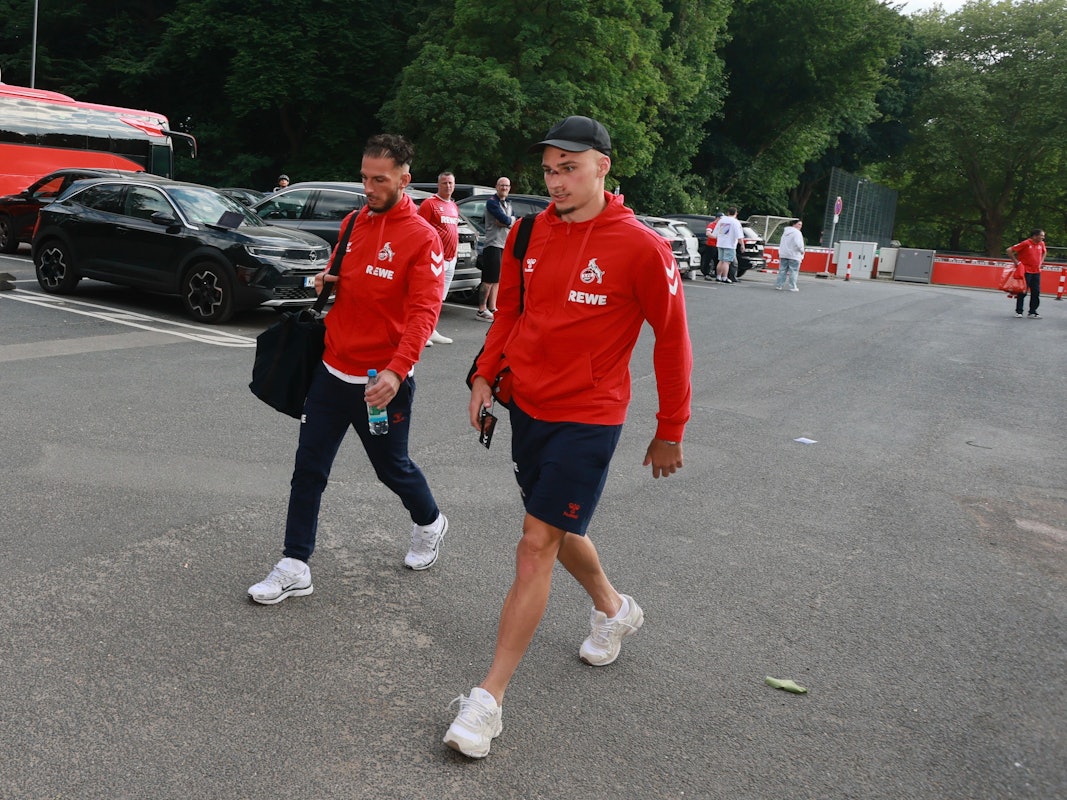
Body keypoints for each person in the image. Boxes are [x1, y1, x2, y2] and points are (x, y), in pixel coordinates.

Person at [444, 115, 693, 758]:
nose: (556, 182)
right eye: (549, 170)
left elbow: (672, 341)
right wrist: (483, 374)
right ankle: (614, 608)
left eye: (570, 168)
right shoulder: (528, 232)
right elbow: (511, 312)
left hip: (591, 415)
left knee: (536, 542)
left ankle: (488, 700)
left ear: (603, 167)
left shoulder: (641, 247)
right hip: (528, 406)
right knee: (555, 524)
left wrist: (670, 428)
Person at [248, 134, 449, 605]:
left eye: (380, 180)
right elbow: (343, 280)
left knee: (391, 468)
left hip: (381, 384)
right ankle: (295, 564)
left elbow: (425, 312)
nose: (369, 188)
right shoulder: (354, 222)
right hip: (331, 371)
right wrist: (328, 281)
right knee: (308, 469)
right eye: (364, 178)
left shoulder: (422, 238)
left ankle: (430, 522)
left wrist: (397, 371)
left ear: (404, 179)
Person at [417, 170, 460, 345]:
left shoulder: (453, 206)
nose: (448, 186)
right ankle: (421, 332)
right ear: (438, 185)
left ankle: (431, 329)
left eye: (450, 183)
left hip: (451, 259)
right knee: (428, 296)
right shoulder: (430, 204)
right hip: (435, 258)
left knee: (439, 298)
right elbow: (420, 230)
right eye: (444, 183)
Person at [476, 177, 514, 321]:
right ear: (496, 187)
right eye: (502, 185)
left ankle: (492, 308)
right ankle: (481, 309)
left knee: (497, 279)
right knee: (488, 279)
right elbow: (504, 219)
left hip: (504, 244)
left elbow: (509, 220)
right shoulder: (492, 202)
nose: (504, 188)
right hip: (493, 244)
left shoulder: (508, 203)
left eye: (507, 186)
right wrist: (509, 221)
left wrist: (508, 221)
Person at [1007, 228, 1046, 319]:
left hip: (1036, 271)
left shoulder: (1041, 244)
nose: (1043, 238)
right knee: (1022, 291)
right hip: (1025, 271)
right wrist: (1016, 262)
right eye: (1041, 236)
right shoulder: (1026, 243)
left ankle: (1033, 311)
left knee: (1036, 292)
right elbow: (1009, 250)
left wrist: (1041, 262)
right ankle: (1019, 311)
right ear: (1035, 236)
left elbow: (1044, 252)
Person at [714, 207, 743, 283]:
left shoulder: (722, 220)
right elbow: (739, 235)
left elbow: (715, 233)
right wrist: (742, 245)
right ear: (736, 213)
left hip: (720, 243)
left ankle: (718, 276)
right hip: (730, 244)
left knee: (721, 260)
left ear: (728, 212)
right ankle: (724, 277)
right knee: (726, 262)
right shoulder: (735, 222)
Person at [776, 219, 804, 292]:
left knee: (782, 270)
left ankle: (779, 285)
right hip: (794, 255)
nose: (800, 226)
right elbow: (798, 244)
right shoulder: (797, 233)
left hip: (784, 254)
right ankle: (793, 287)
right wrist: (802, 250)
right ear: (794, 224)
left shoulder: (785, 232)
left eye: (801, 225)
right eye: (799, 224)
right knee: (793, 271)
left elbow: (782, 243)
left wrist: (780, 252)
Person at [701, 212, 723, 281]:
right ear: (717, 218)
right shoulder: (712, 225)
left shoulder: (722, 226)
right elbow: (708, 233)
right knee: (708, 259)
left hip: (718, 245)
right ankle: (706, 273)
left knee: (718, 260)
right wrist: (716, 237)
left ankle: (717, 274)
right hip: (711, 245)